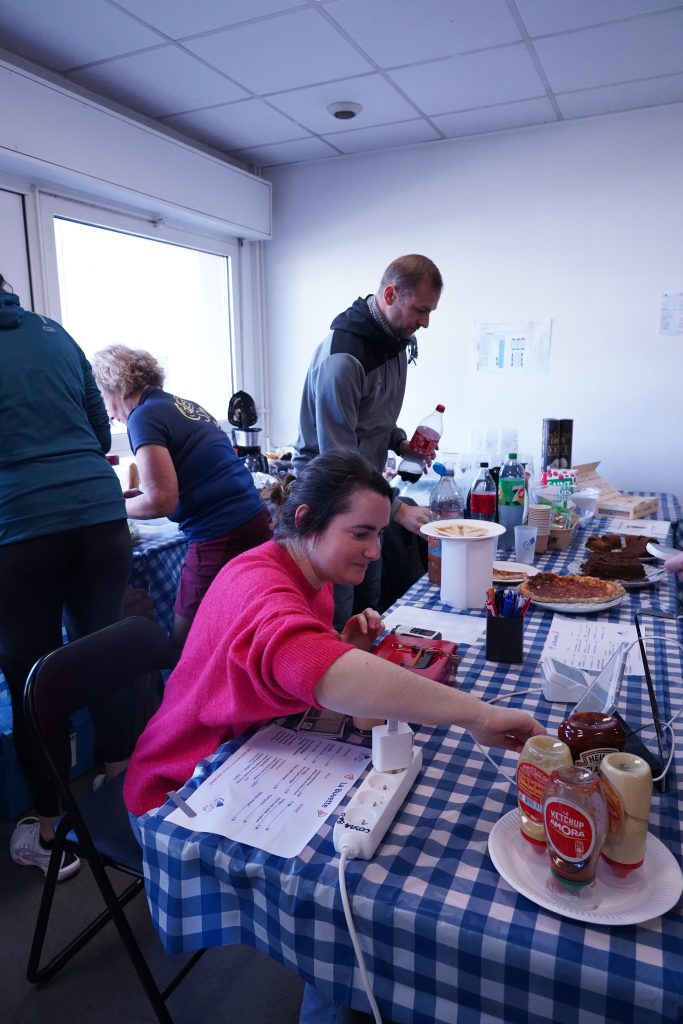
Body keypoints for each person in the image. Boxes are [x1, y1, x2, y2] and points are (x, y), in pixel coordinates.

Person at [123, 448, 544, 1024]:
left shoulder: (306, 573)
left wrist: (342, 649)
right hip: (183, 783)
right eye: (360, 534)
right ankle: (339, 985)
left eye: (378, 534)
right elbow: (303, 660)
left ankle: (339, 986)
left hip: (253, 747)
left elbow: (286, 668)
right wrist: (476, 715)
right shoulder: (258, 582)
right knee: (357, 880)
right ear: (305, 521)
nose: (375, 551)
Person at [0, 274, 133, 883]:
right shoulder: (54, 334)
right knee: (101, 652)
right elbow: (100, 433)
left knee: (33, 676)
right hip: (98, 516)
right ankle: (120, 785)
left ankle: (53, 832)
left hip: (21, 526)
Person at [292, 254, 443, 628]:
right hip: (330, 496)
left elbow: (373, 419)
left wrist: (400, 442)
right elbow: (338, 457)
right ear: (390, 294)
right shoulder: (343, 359)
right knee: (339, 608)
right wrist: (397, 510)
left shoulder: (396, 341)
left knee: (369, 602)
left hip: (367, 489)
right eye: (421, 310)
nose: (426, 323)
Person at [91, 345, 272, 647]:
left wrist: (112, 506)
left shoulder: (142, 416)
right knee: (241, 625)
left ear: (113, 386)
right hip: (255, 519)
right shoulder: (183, 405)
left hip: (220, 532)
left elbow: (162, 501)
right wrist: (139, 496)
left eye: (101, 396)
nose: (107, 412)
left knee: (185, 644)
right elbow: (196, 472)